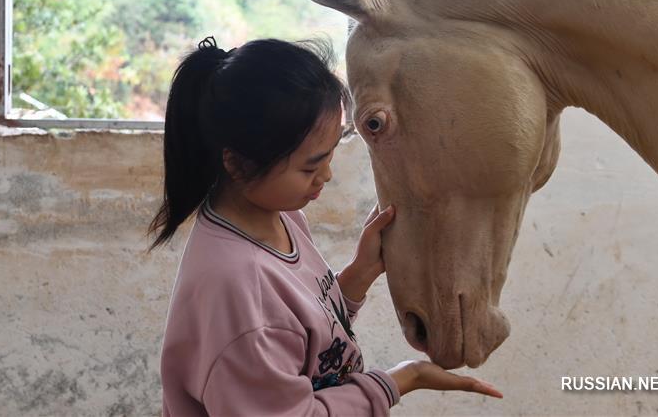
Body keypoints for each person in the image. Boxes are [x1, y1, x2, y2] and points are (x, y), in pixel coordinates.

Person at [149, 36, 502, 415]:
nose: (327, 176)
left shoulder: (280, 218)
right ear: (237, 164)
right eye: (310, 166)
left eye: (331, 154)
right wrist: (401, 380)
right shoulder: (235, 287)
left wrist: (360, 273)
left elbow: (301, 334)